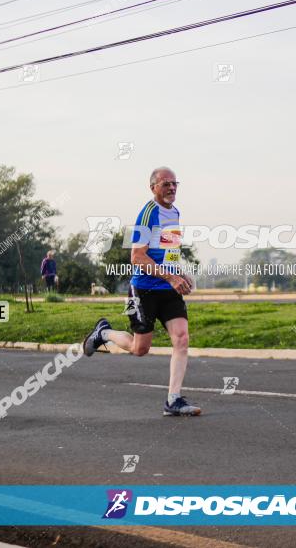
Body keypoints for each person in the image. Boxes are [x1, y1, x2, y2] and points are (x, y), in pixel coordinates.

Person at [82, 167, 199, 416]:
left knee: (182, 338)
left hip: (168, 287)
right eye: (165, 184)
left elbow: (169, 251)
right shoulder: (147, 215)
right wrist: (169, 276)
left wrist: (179, 274)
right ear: (153, 187)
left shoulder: (174, 212)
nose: (171, 188)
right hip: (142, 290)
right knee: (139, 348)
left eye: (174, 183)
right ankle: (104, 332)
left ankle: (173, 400)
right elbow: (137, 257)